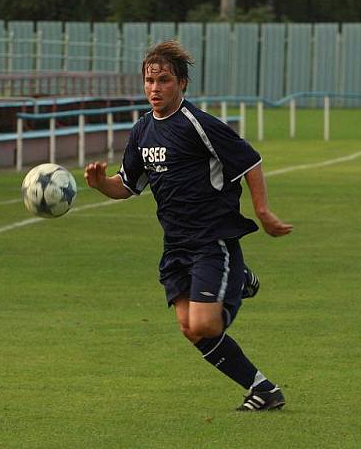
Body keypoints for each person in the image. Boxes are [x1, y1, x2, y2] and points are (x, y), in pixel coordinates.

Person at [84, 41, 293, 412]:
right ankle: (264, 390)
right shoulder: (142, 131)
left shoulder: (199, 125)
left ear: (181, 84)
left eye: (163, 80)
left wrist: (263, 211)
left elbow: (249, 161)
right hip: (176, 245)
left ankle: (239, 278)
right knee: (190, 328)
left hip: (212, 239)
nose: (154, 88)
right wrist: (101, 184)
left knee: (206, 324)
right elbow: (128, 185)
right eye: (149, 80)